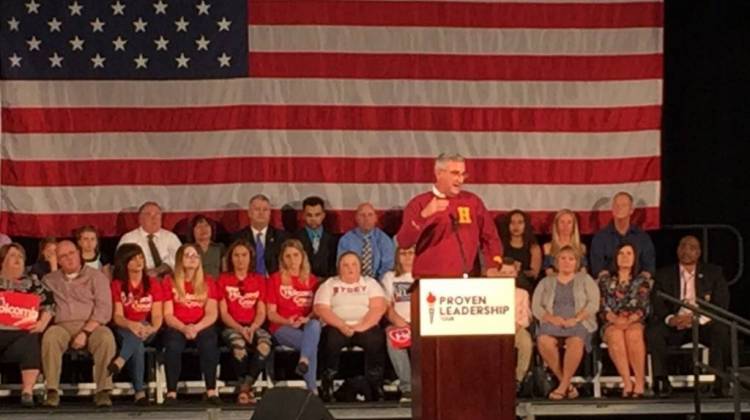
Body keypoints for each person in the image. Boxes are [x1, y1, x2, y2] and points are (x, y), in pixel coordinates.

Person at [646, 235, 731, 398]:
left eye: (691, 248)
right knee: (654, 332)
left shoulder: (714, 273)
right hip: (676, 323)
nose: (686, 251)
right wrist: (671, 318)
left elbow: (721, 305)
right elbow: (657, 302)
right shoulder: (664, 274)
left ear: (698, 253)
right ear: (677, 250)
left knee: (721, 330)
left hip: (701, 323)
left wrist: (697, 319)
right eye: (683, 246)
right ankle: (661, 381)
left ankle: (721, 382)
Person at [396, 153, 503, 278]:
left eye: (463, 174)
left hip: (469, 280)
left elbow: (490, 236)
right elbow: (404, 242)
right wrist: (424, 216)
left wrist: (493, 264)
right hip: (431, 281)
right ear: (439, 173)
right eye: (455, 173)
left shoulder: (472, 202)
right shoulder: (420, 203)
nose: (460, 179)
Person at [41, 240, 115, 407]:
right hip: (62, 326)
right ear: (58, 261)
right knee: (50, 336)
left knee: (106, 337)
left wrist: (85, 332)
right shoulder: (49, 280)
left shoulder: (97, 276)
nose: (69, 258)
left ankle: (103, 391)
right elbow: (43, 305)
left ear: (79, 253)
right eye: (63, 256)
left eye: (72, 253)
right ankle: (51, 391)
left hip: (92, 325)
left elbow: (104, 309)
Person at [314, 252, 387, 402]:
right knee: (330, 341)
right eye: (345, 265)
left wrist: (362, 326)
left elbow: (378, 307)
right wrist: (341, 325)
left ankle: (375, 385)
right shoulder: (329, 284)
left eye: (354, 264)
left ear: (360, 267)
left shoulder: (370, 283)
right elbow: (321, 308)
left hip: (364, 325)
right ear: (338, 268)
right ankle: (327, 384)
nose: (350, 268)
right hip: (336, 326)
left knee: (376, 339)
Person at [532, 245, 600, 400]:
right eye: (563, 258)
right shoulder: (546, 282)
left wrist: (575, 319)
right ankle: (567, 385)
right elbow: (536, 306)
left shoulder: (585, 279)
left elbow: (593, 304)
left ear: (577, 262)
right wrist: (551, 318)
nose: (566, 262)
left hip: (579, 321)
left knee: (575, 341)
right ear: (556, 261)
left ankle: (562, 387)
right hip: (552, 320)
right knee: (543, 340)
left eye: (571, 259)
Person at [162, 244, 221, 405]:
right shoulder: (169, 281)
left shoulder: (208, 281)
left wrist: (196, 327)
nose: (192, 258)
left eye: (195, 256)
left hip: (201, 325)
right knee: (173, 345)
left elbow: (212, 313)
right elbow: (168, 314)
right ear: (180, 259)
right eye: (188, 255)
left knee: (209, 343)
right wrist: (183, 327)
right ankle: (171, 393)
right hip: (177, 325)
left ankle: (211, 391)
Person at [0, 243, 55, 407]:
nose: (17, 260)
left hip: (21, 335)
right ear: (2, 261)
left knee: (32, 339)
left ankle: (27, 392)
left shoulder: (33, 283)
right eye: (12, 256)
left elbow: (50, 305)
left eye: (20, 257)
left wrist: (42, 323)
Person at [217, 240, 272, 405]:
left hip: (254, 324)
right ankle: (247, 388)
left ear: (250, 258)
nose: (240, 260)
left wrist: (253, 327)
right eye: (236, 255)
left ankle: (245, 387)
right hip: (232, 325)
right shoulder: (223, 280)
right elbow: (224, 313)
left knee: (264, 344)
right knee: (239, 345)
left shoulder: (260, 280)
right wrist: (240, 328)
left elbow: (262, 311)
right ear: (230, 259)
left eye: (244, 255)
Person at [109, 243, 164, 405]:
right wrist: (132, 324)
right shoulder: (117, 285)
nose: (139, 262)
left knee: (140, 331)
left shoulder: (153, 283)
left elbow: (158, 315)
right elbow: (118, 316)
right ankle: (139, 392)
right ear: (124, 263)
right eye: (133, 259)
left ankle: (121, 360)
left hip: (149, 328)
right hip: (126, 328)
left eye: (140, 257)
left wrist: (151, 328)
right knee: (137, 344)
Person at [266, 239, 322, 393]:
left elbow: (317, 309)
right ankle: (312, 389)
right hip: (281, 327)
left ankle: (304, 361)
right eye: (288, 256)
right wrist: (287, 321)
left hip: (306, 326)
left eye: (296, 255)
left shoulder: (312, 280)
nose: (292, 260)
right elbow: (271, 314)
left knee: (315, 325)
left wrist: (307, 318)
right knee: (311, 345)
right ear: (282, 259)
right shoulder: (275, 279)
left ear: (302, 256)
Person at [598, 242, 651, 398]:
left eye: (629, 253)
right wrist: (614, 319)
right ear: (615, 257)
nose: (625, 257)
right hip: (611, 321)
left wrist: (629, 320)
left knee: (633, 334)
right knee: (615, 335)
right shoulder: (605, 280)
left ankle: (640, 382)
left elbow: (644, 307)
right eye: (621, 253)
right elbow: (602, 307)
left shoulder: (642, 281)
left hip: (634, 321)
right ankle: (627, 382)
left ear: (635, 258)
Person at [590, 192, 655, 278]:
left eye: (624, 205)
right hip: (607, 287)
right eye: (616, 205)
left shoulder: (643, 238)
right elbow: (597, 269)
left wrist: (636, 286)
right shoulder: (600, 238)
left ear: (631, 210)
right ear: (612, 209)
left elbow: (649, 268)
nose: (619, 208)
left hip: (637, 286)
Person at [381, 246, 416, 402]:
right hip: (400, 322)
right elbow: (386, 306)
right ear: (397, 256)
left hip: (423, 323)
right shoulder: (390, 277)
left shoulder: (425, 275)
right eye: (403, 253)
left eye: (411, 253)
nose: (407, 257)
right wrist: (398, 321)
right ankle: (407, 387)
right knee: (392, 336)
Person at [118, 201, 182, 277]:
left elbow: (179, 259)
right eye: (148, 214)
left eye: (157, 214)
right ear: (140, 219)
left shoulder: (171, 237)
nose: (153, 218)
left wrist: (160, 270)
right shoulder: (129, 238)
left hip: (168, 279)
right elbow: (122, 264)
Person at [232, 194, 289, 276]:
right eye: (257, 209)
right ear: (249, 213)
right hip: (248, 283)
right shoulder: (237, 238)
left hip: (275, 283)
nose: (261, 213)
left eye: (265, 210)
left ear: (270, 213)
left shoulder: (282, 237)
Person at [496, 262, 533, 388]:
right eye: (503, 273)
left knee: (526, 343)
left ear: (516, 274)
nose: (507, 276)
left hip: (517, 327)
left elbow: (525, 315)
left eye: (510, 273)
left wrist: (516, 326)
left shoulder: (522, 293)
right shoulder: (491, 292)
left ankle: (518, 378)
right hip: (496, 329)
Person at [337, 203, 394, 281]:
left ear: (375, 218)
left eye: (370, 215)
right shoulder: (346, 240)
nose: (366, 219)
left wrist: (376, 284)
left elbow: (387, 267)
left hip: (378, 283)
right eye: (362, 215)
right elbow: (342, 266)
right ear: (356, 218)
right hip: (352, 282)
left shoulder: (384, 240)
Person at [293, 196, 339, 279]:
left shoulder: (333, 240)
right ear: (303, 215)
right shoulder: (294, 238)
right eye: (309, 215)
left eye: (317, 215)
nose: (313, 219)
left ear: (323, 215)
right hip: (302, 283)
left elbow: (334, 267)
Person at [498, 209, 542, 280]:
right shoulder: (500, 245)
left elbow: (534, 274)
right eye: (512, 222)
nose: (516, 226)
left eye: (520, 222)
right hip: (504, 280)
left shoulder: (534, 247)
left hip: (525, 283)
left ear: (526, 225)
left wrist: (519, 271)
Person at [542, 209, 587, 276]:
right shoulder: (548, 247)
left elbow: (583, 271)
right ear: (556, 225)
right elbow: (549, 272)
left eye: (569, 222)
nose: (565, 226)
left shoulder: (581, 247)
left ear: (574, 226)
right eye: (562, 222)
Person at [189, 214, 225, 278]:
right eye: (199, 227)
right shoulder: (188, 249)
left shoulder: (220, 248)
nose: (203, 229)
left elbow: (225, 271)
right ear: (192, 231)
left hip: (216, 286)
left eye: (206, 225)